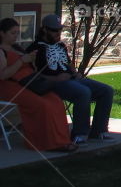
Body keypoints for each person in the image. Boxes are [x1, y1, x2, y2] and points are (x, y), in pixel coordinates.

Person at [27, 14, 114, 144]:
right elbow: (32, 74)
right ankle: (79, 134)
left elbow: (67, 64)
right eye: (54, 30)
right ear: (44, 30)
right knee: (83, 92)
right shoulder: (35, 49)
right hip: (53, 83)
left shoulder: (61, 45)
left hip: (72, 79)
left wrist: (76, 73)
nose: (58, 33)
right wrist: (55, 78)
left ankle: (99, 130)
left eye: (60, 30)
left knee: (107, 90)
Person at [0, 17, 76, 153]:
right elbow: (3, 75)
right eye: (12, 33)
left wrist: (31, 61)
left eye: (17, 33)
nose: (16, 36)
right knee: (43, 104)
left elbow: (28, 67)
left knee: (55, 100)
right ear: (2, 33)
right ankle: (45, 143)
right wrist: (21, 61)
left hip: (29, 82)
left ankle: (62, 140)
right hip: (10, 87)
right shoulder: (1, 51)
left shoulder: (17, 48)